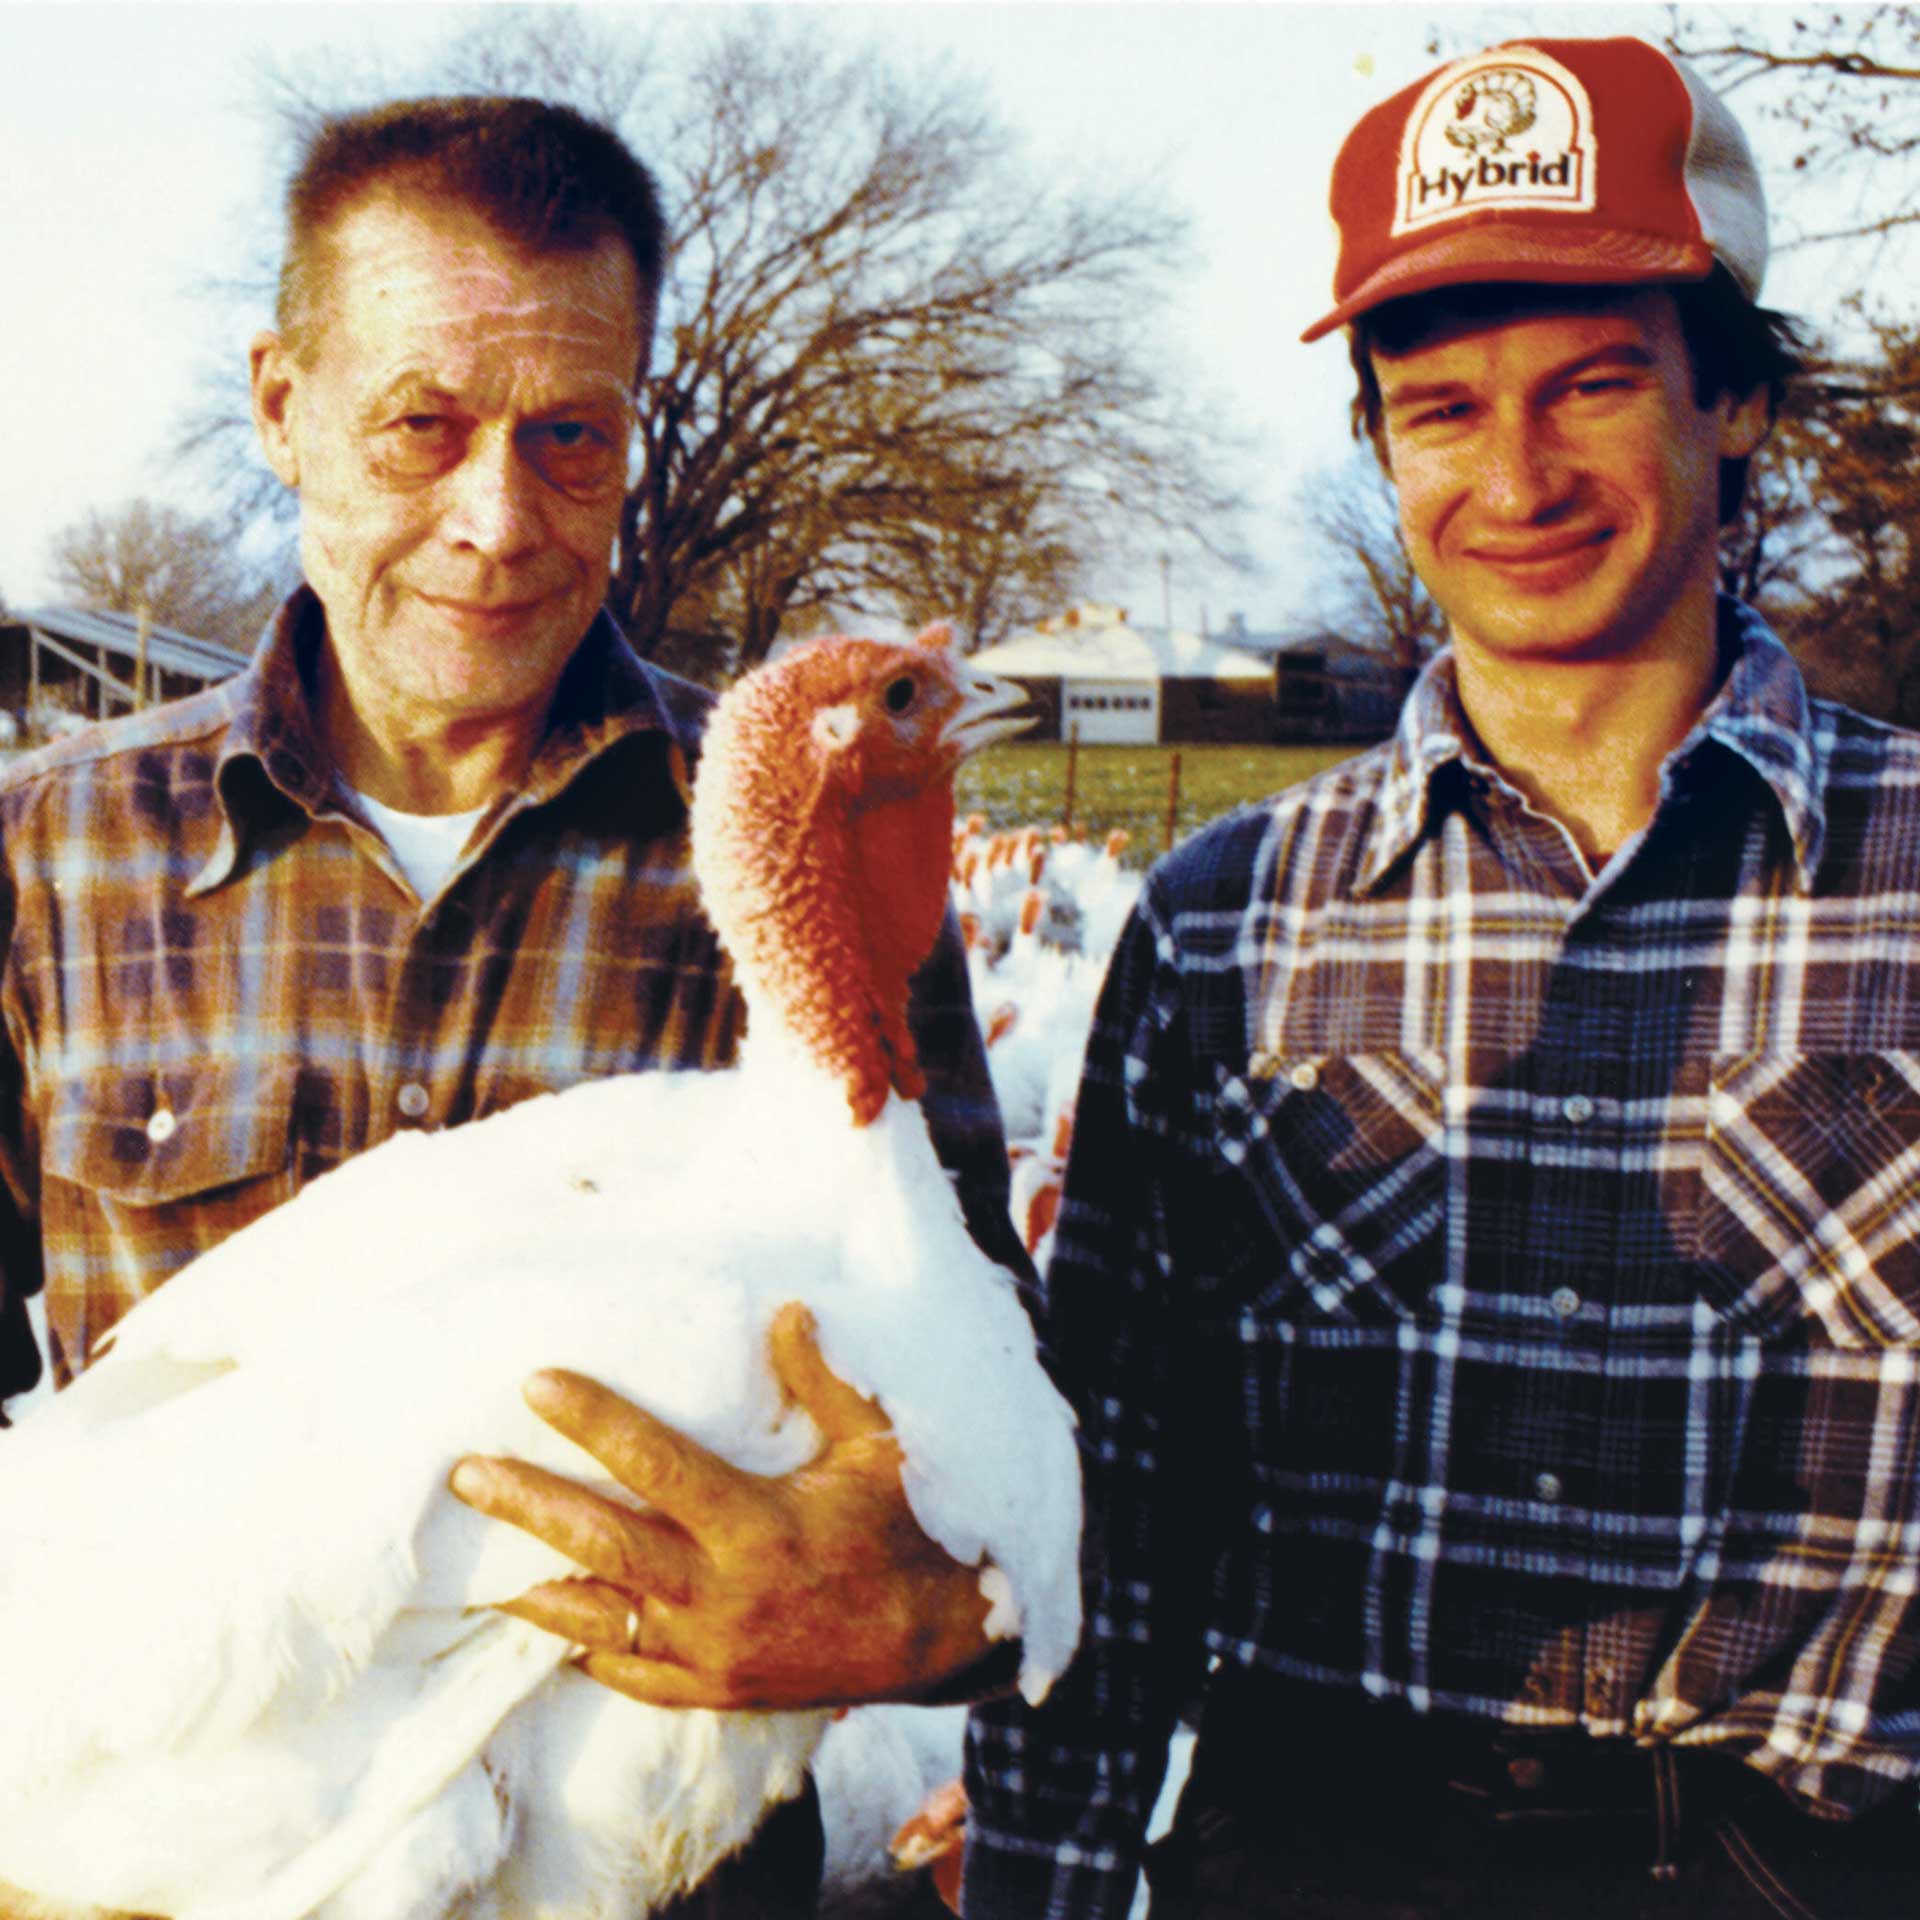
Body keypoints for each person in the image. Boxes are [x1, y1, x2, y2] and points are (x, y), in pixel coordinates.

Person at [0, 96, 1009, 1916]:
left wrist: (907, 1599)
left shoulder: (793, 835)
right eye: (421, 427)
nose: (497, 519)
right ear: (281, 402)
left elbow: (985, 1399)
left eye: (569, 437)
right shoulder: (50, 856)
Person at [963, 34, 1920, 1920]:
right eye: (1443, 410)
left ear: (1734, 404)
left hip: (1814, 1854)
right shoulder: (1228, 920)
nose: (1519, 477)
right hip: (1324, 1844)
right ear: (1381, 445)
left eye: (1592, 388)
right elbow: (1122, 1522)